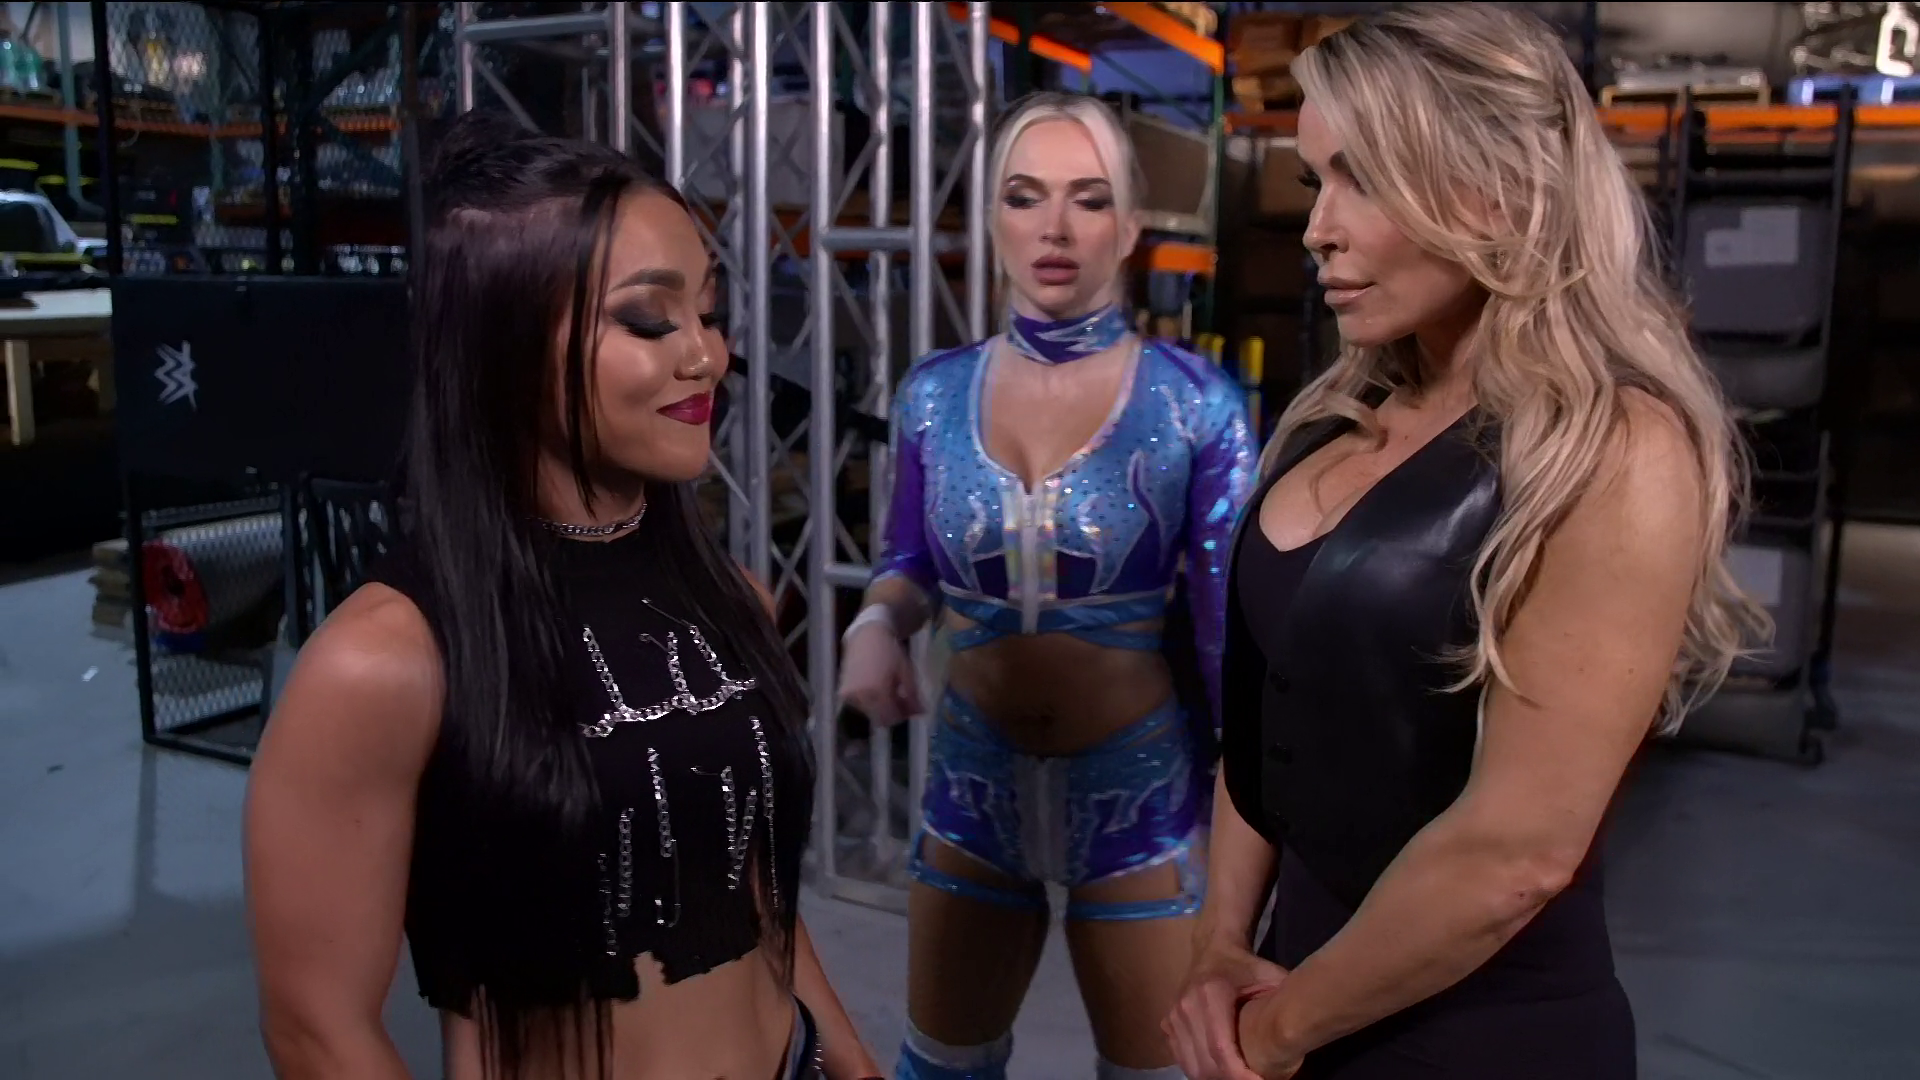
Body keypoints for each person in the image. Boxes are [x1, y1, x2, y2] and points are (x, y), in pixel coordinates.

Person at [1162, 6, 1769, 1079]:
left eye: (1362, 179)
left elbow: (1516, 856)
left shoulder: (1615, 449)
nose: (1316, 229)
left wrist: (1273, 1036)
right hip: (1289, 990)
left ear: (1498, 184)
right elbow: (1260, 733)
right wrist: (1220, 947)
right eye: (1314, 181)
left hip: (1477, 1039)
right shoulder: (1332, 420)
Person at [244, 111, 881, 1080]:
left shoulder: (734, 601)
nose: (706, 356)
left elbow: (755, 901)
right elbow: (316, 1030)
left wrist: (854, 1065)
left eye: (709, 314)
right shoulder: (385, 663)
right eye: (650, 319)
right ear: (502, 343)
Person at [839, 91, 1258, 1080]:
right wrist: (876, 625)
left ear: (1132, 226)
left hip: (1139, 794)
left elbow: (1229, 639)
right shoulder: (934, 394)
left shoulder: (1195, 403)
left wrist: (1248, 836)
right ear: (993, 219)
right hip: (970, 786)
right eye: (1025, 197)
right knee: (940, 1067)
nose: (1055, 228)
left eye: (1088, 199)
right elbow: (908, 562)